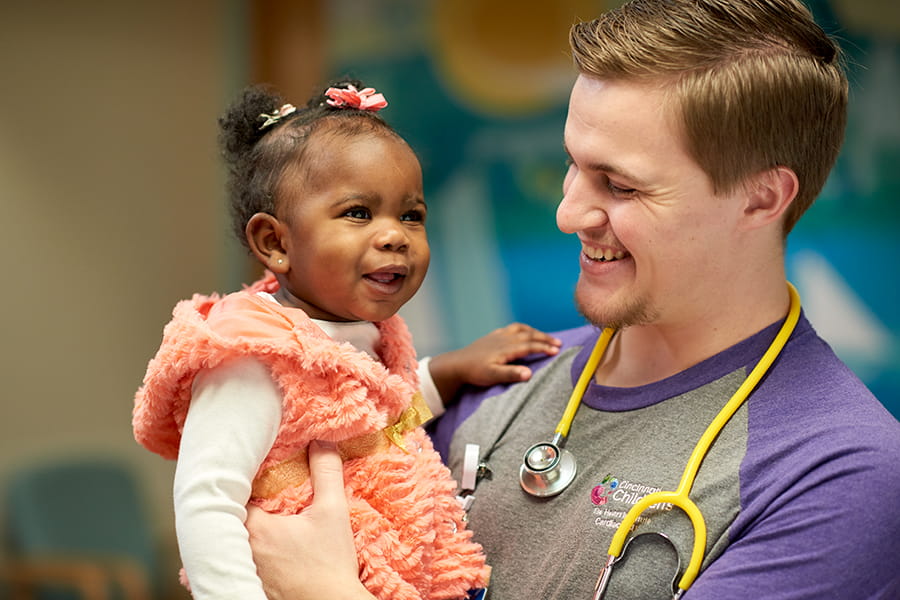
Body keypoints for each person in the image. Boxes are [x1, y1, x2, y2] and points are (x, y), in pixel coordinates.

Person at [243, 1, 900, 599]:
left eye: (619, 185)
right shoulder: (493, 384)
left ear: (761, 198)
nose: (568, 212)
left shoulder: (840, 473)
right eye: (571, 164)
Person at [132, 80, 561, 600]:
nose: (394, 234)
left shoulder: (360, 334)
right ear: (275, 243)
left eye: (411, 215)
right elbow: (207, 501)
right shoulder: (256, 353)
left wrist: (446, 371)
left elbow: (371, 422)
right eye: (359, 213)